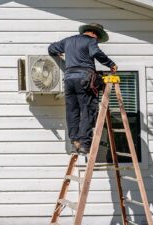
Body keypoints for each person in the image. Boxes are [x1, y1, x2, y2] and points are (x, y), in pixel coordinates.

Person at [48, 23, 118, 155]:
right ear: (93, 33)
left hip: (69, 80)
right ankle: (85, 144)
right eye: (97, 38)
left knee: (72, 110)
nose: (96, 40)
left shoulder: (68, 41)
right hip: (84, 79)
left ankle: (75, 142)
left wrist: (63, 52)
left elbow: (51, 48)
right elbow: (96, 52)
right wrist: (111, 64)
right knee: (87, 110)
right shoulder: (90, 41)